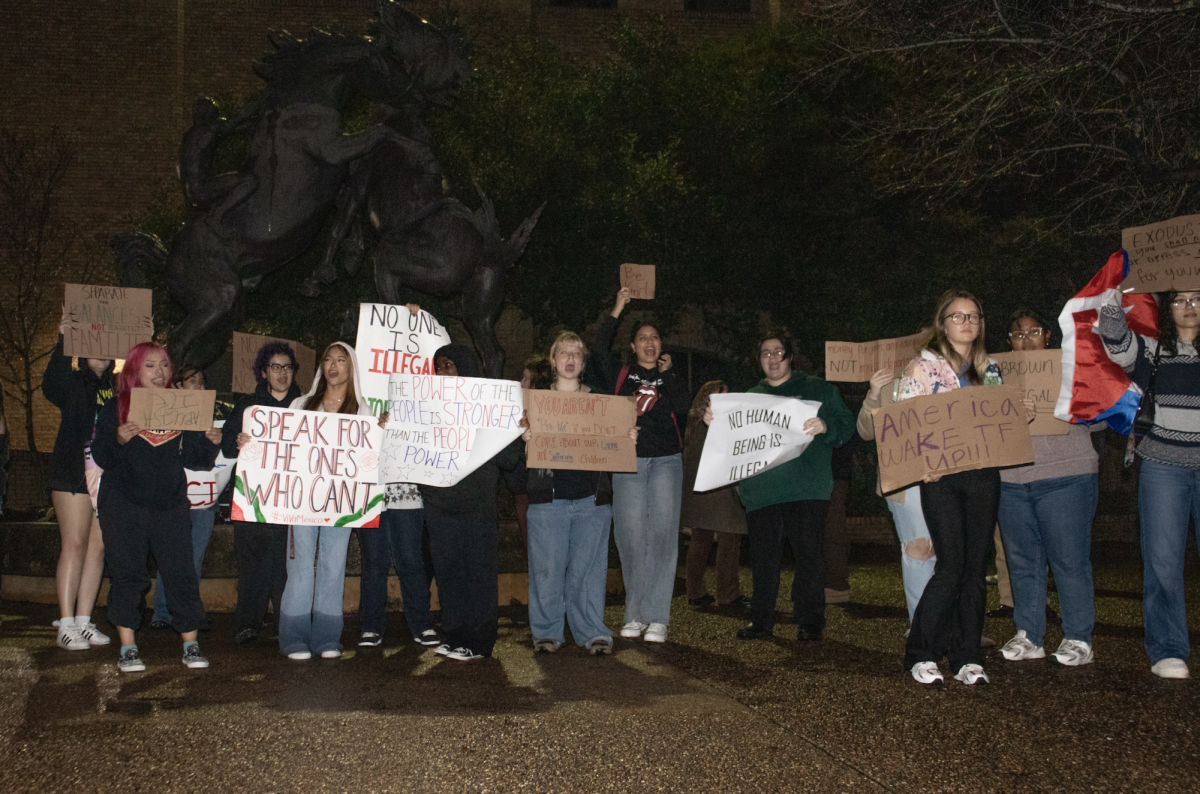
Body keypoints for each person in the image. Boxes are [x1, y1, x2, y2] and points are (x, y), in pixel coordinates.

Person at [897, 290, 1033, 686]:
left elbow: (997, 426)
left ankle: (967, 655)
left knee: (975, 569)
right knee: (951, 565)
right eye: (958, 316)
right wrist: (922, 465)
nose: (967, 322)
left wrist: (1017, 415)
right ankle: (921, 653)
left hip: (982, 475)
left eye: (973, 316)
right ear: (943, 323)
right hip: (940, 477)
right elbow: (906, 422)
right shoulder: (921, 368)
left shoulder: (989, 369)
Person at [711, 332, 853, 643]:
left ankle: (810, 621)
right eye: (766, 353)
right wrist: (715, 421)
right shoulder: (748, 398)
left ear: (790, 357)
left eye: (779, 352)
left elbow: (847, 425)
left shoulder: (818, 389)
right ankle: (761, 622)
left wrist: (827, 426)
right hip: (762, 493)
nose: (773, 358)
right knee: (763, 560)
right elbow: (731, 443)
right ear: (759, 360)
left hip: (807, 489)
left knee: (809, 557)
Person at [91, 342, 223, 672]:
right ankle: (128, 647)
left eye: (164, 366)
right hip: (124, 503)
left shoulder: (182, 407)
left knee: (181, 573)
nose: (159, 372)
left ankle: (191, 645)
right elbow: (101, 456)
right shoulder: (117, 407)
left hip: (169, 504)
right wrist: (119, 439)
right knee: (128, 576)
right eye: (150, 366)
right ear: (134, 370)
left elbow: (196, 459)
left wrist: (210, 441)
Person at [1099, 288, 1200, 679]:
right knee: (1163, 562)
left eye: (1197, 298)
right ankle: (1168, 649)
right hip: (1163, 467)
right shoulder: (1152, 350)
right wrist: (1110, 301)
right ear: (1166, 308)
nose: (1189, 307)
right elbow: (1116, 342)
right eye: (1179, 300)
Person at [997, 309, 1102, 667]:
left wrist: (1072, 408)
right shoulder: (994, 377)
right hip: (1011, 480)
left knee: (1069, 562)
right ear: (1008, 343)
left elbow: (1105, 417)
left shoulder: (1073, 368)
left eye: (1033, 332)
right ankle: (1029, 635)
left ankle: (1078, 638)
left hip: (1066, 476)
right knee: (1022, 563)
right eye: (1016, 334)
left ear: (1048, 336)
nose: (1025, 339)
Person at [522, 332, 634, 656]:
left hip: (592, 501)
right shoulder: (536, 404)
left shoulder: (602, 404)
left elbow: (617, 445)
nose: (570, 358)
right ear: (553, 361)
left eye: (577, 354)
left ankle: (592, 632)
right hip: (548, 501)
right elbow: (517, 457)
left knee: (589, 572)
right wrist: (525, 435)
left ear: (583, 363)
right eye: (563, 353)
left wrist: (626, 435)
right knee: (547, 571)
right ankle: (546, 633)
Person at [590, 288, 691, 644]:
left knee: (662, 537)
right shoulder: (620, 375)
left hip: (666, 461)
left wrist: (669, 374)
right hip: (627, 462)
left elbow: (682, 406)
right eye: (642, 338)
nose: (649, 342)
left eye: (655, 337)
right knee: (631, 538)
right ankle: (635, 613)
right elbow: (597, 348)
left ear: (661, 345)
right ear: (632, 346)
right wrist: (617, 307)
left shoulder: (671, 378)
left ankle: (658, 618)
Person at [418, 343, 524, 661]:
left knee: (477, 573)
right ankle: (455, 635)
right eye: (438, 366)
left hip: (476, 506)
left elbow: (509, 459)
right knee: (448, 573)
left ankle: (478, 642)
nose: (442, 371)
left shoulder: (487, 408)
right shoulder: (424, 408)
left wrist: (515, 432)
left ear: (464, 367)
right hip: (439, 505)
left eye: (449, 364)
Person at [277, 342, 372, 660]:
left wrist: (379, 433)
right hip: (301, 498)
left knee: (333, 566)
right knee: (301, 567)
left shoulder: (363, 411)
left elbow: (370, 458)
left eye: (341, 360)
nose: (333, 365)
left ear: (351, 367)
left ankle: (327, 638)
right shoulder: (301, 405)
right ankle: (293, 637)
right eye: (328, 359)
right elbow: (280, 447)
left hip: (341, 502)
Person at [362, 304, 439, 649]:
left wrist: (412, 321)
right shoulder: (361, 393)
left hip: (408, 491)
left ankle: (421, 624)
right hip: (372, 491)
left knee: (410, 560)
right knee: (374, 562)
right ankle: (370, 626)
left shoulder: (422, 396)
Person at [42, 318, 117, 651]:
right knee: (74, 543)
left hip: (107, 478)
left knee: (98, 548)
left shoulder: (119, 388)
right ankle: (66, 623)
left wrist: (143, 335)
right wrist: (63, 337)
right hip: (72, 472)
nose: (102, 352)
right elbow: (50, 384)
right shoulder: (71, 381)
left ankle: (84, 621)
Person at [223, 341, 303, 645]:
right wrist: (238, 441)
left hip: (291, 499)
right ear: (263, 372)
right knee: (252, 564)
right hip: (254, 497)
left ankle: (288, 622)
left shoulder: (306, 407)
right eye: (275, 367)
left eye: (287, 367)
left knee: (288, 564)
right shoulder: (247, 407)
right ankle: (247, 623)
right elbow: (226, 444)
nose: (282, 373)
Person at [149, 365, 230, 632]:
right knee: (169, 555)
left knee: (194, 558)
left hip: (201, 501)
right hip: (170, 497)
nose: (198, 384)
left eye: (202, 380)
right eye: (191, 380)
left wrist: (216, 442)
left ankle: (189, 612)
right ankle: (162, 611)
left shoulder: (210, 420)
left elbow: (211, 461)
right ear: (178, 387)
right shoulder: (162, 415)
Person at [858, 368, 936, 624]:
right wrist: (873, 394)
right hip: (905, 479)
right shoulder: (891, 386)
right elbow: (866, 431)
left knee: (952, 553)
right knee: (919, 549)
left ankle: (960, 628)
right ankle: (922, 628)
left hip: (947, 474)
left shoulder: (952, 377)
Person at [682, 380, 747, 609]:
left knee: (702, 539)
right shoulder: (705, 425)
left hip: (703, 491)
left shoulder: (693, 424)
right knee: (729, 537)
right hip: (717, 490)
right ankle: (727, 594)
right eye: (720, 396)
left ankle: (696, 593)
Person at [514, 355, 553, 548]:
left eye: (526, 378)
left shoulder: (554, 413)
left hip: (545, 494)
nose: (521, 383)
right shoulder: (516, 411)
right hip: (524, 492)